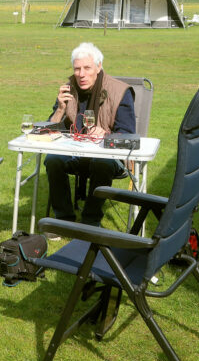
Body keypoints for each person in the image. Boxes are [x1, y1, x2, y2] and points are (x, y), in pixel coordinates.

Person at [44, 42, 136, 228]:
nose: (81, 74)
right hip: (75, 152)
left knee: (101, 162)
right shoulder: (68, 90)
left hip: (109, 157)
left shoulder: (119, 92)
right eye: (77, 69)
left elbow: (127, 134)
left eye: (87, 68)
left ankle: (90, 221)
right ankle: (63, 220)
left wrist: (106, 134)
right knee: (52, 159)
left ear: (99, 66)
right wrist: (61, 109)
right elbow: (50, 131)